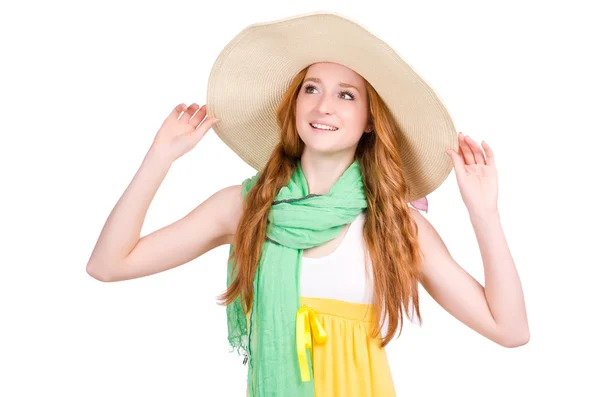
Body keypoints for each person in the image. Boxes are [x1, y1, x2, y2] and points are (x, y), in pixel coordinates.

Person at [86, 11, 529, 397]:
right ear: (295, 104)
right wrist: (159, 158)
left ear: (371, 119)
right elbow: (109, 264)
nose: (323, 106)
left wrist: (484, 214)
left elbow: (509, 329)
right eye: (311, 89)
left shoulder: (394, 223)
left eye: (346, 94)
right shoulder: (247, 208)